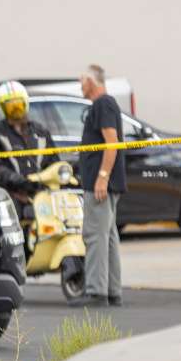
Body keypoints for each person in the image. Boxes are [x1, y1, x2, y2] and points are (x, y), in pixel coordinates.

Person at [72, 64, 127, 307]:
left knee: (95, 234)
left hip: (101, 184)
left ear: (92, 82)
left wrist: (102, 176)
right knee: (108, 236)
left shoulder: (103, 104)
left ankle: (96, 292)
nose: (80, 84)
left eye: (82, 80)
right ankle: (112, 291)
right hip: (106, 183)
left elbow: (111, 142)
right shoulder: (106, 104)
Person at [0, 81, 57, 229]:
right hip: (11, 195)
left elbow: (54, 162)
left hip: (41, 194)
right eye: (10, 106)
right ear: (2, 108)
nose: (16, 110)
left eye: (19, 104)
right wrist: (18, 180)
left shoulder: (40, 132)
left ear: (26, 104)